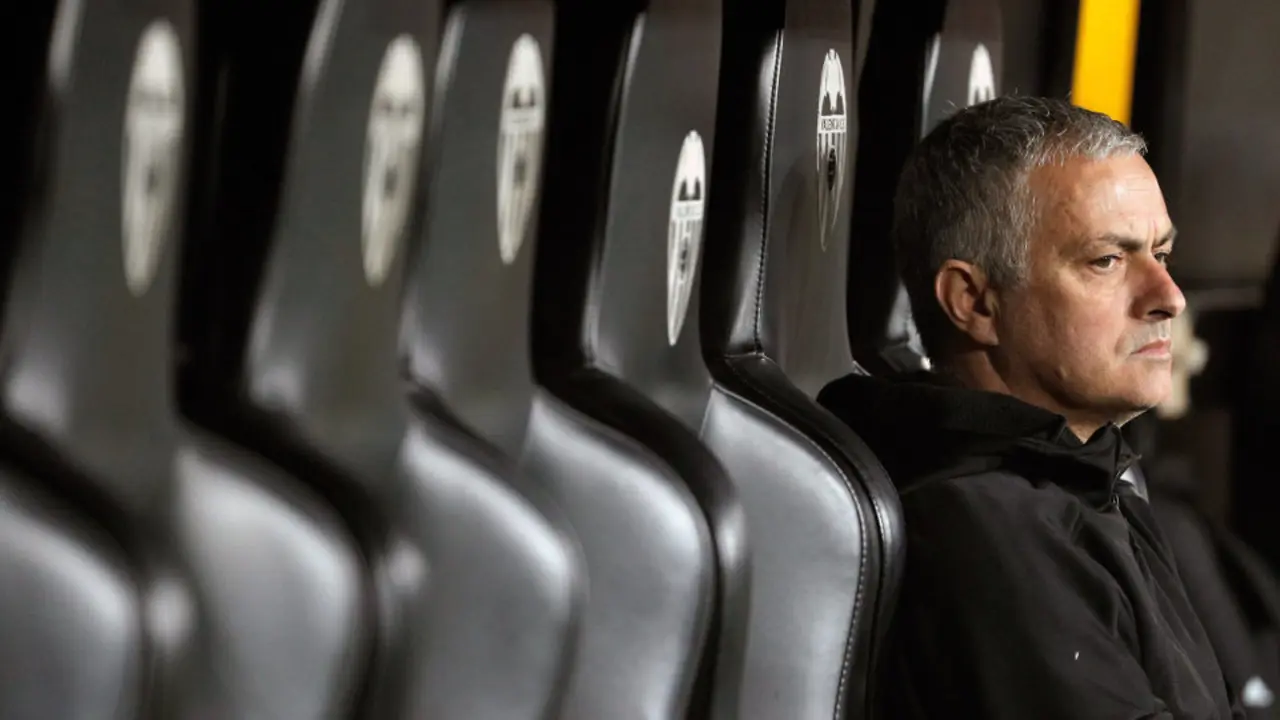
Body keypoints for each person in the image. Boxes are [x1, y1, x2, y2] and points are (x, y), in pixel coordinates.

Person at [818, 95, 1243, 718]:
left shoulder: (1091, 474)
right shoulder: (982, 526)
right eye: (1107, 261)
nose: (1169, 296)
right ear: (973, 302)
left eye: (1161, 254)